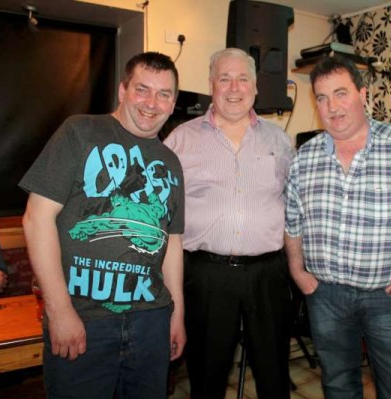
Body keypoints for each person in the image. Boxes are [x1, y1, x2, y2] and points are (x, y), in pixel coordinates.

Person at [19, 52, 186, 399]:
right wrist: (60, 310)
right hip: (84, 317)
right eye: (142, 89)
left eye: (164, 94)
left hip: (151, 319)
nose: (152, 103)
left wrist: (177, 313)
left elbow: (172, 242)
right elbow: (36, 219)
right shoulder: (80, 131)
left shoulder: (171, 161)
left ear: (173, 103)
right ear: (123, 90)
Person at [284, 55, 391, 399]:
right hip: (326, 296)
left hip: (386, 296)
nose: (332, 107)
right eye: (322, 98)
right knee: (337, 385)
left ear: (363, 94)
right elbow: (292, 223)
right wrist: (297, 269)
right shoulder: (305, 158)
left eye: (341, 94)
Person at [164, 48, 294, 399]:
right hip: (206, 275)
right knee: (207, 375)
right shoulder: (179, 141)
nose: (234, 87)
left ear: (255, 87)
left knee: (273, 375)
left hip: (268, 274)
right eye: (225, 78)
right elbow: (163, 217)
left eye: (242, 79)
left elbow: (294, 206)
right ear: (211, 85)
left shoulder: (280, 142)